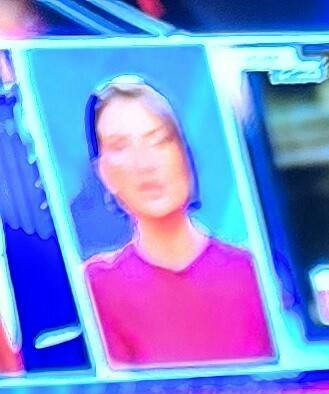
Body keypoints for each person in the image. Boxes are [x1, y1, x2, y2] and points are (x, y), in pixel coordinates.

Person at [76, 73, 271, 371]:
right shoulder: (92, 287)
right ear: (105, 174)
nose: (145, 164)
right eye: (120, 147)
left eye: (159, 141)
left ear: (183, 152)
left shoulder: (257, 273)